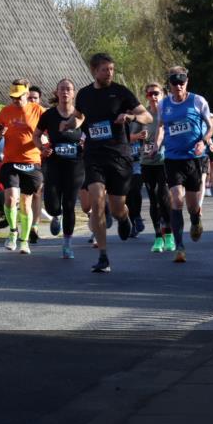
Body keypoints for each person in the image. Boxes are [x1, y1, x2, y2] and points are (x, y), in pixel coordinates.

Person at [61, 53, 152, 273]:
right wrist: (69, 123)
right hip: (94, 156)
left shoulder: (121, 92)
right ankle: (103, 256)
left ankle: (124, 218)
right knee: (97, 203)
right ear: (94, 71)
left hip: (119, 156)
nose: (109, 73)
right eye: (105, 69)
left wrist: (130, 117)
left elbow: (146, 116)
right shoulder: (84, 94)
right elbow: (80, 117)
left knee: (117, 206)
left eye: (111, 69)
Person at [159, 67, 213, 263]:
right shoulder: (164, 105)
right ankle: (180, 247)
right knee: (176, 199)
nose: (179, 86)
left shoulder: (198, 101)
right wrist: (156, 146)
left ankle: (196, 219)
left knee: (191, 206)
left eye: (182, 82)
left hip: (193, 158)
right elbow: (161, 129)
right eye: (175, 82)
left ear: (187, 82)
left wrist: (204, 141)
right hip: (172, 159)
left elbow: (210, 126)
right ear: (170, 85)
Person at [33, 78, 84, 259]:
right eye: (62, 89)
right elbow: (36, 135)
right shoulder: (49, 115)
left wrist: (86, 144)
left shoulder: (80, 116)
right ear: (57, 93)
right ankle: (56, 215)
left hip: (75, 166)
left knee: (69, 204)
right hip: (54, 164)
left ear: (73, 93)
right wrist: (42, 148)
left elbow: (90, 134)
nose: (65, 92)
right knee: (54, 205)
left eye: (68, 89)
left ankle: (67, 244)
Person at [0, 79, 45, 255]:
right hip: (10, 161)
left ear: (27, 92)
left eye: (19, 97)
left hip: (31, 161)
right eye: (13, 97)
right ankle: (13, 232)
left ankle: (24, 241)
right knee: (10, 199)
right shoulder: (5, 111)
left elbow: (48, 133)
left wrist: (46, 144)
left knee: (25, 203)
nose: (16, 100)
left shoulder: (38, 111)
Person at [140, 83, 175, 253]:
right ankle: (157, 237)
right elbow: (128, 136)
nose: (153, 97)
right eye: (150, 94)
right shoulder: (142, 115)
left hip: (165, 161)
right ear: (146, 96)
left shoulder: (169, 112)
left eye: (157, 93)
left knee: (163, 196)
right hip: (147, 162)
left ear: (163, 94)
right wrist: (138, 136)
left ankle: (169, 234)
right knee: (153, 199)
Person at [26, 84, 46, 242]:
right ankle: (26, 227)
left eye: (35, 98)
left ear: (40, 100)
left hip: (43, 158)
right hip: (25, 158)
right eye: (29, 97)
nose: (32, 100)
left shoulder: (44, 114)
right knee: (26, 194)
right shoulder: (20, 112)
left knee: (37, 192)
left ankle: (35, 226)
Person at [126, 119, 148, 237]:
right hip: (122, 164)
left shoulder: (140, 119)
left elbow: (147, 129)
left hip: (137, 163)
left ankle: (137, 216)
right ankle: (133, 223)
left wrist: (143, 133)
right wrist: (135, 136)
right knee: (128, 196)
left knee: (136, 189)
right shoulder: (118, 118)